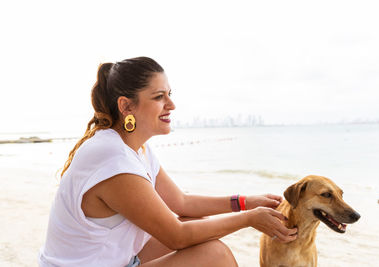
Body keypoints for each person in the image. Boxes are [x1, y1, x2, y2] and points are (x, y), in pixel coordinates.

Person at [38, 57, 297, 267]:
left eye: (169, 94)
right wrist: (250, 218)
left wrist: (245, 202)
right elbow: (177, 237)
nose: (171, 105)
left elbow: (182, 203)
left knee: (193, 222)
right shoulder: (111, 157)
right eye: (159, 96)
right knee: (214, 255)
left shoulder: (136, 150)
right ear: (126, 106)